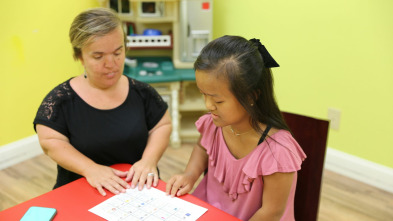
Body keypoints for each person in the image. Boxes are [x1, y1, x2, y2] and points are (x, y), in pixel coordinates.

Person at [33, 8, 172, 196]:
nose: (111, 64)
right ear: (79, 56)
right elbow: (50, 142)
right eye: (98, 56)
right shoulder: (60, 101)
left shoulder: (142, 93)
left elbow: (162, 125)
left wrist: (149, 161)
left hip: (137, 191)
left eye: (117, 52)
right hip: (81, 192)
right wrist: (90, 169)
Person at [166, 35, 306, 220]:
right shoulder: (214, 124)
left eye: (217, 100)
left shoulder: (277, 151)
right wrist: (190, 175)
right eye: (203, 95)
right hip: (211, 213)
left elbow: (272, 212)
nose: (208, 105)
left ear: (250, 96)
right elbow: (202, 148)